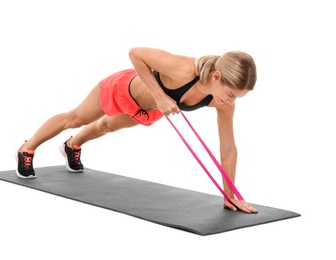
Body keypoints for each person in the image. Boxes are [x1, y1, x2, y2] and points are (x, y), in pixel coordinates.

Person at [16, 47, 258, 214]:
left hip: (148, 109)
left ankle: (71, 146)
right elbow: (136, 53)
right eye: (230, 94)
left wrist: (230, 195)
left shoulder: (222, 104)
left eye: (237, 98)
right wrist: (159, 96)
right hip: (122, 88)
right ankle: (27, 149)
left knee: (106, 126)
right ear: (216, 76)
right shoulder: (183, 69)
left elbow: (228, 149)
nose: (230, 101)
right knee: (76, 118)